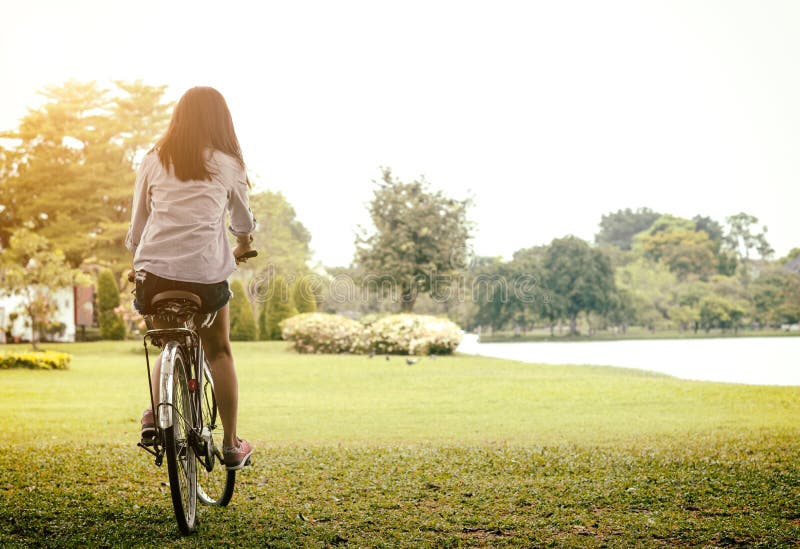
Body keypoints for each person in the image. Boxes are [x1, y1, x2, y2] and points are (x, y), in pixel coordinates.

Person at [125, 86, 256, 470]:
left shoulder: (153, 158)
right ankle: (231, 445)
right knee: (218, 351)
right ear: (220, 121)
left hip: (155, 275)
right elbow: (242, 222)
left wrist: (138, 258)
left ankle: (154, 412)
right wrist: (243, 244)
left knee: (167, 339)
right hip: (205, 277)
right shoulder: (228, 163)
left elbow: (137, 227)